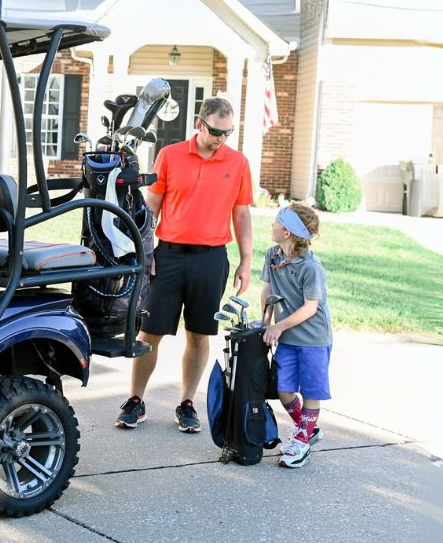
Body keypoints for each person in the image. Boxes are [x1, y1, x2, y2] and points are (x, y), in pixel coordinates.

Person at [117, 97, 255, 433]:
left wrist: (246, 260)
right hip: (169, 256)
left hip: (211, 259)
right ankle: (135, 400)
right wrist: (145, 254)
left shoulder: (238, 163)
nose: (221, 138)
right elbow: (152, 205)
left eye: (227, 132)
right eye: (215, 131)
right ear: (199, 124)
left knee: (199, 334)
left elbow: (241, 213)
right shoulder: (171, 155)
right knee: (150, 331)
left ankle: (187, 403)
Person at [261, 204, 332, 468]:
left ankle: (302, 439)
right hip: (288, 338)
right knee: (283, 390)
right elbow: (267, 291)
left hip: (313, 339)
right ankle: (308, 429)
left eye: (276, 222)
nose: (272, 225)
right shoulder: (272, 255)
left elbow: (310, 307)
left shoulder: (311, 267)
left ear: (288, 231)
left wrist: (278, 327)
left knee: (311, 390)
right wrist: (265, 323)